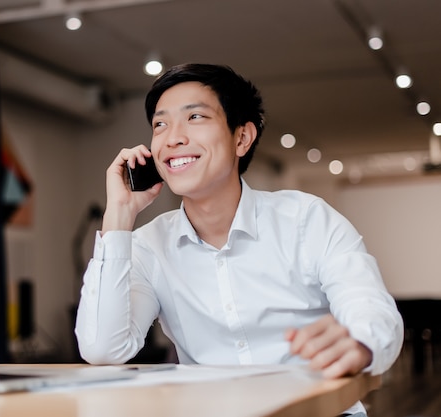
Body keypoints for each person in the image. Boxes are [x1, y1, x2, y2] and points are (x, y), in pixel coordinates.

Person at [75, 63, 403, 416]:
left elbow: (372, 309)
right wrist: (119, 218)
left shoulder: (307, 219)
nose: (172, 138)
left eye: (195, 117)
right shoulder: (147, 245)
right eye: (160, 124)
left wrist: (360, 342)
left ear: (242, 138)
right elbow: (103, 349)